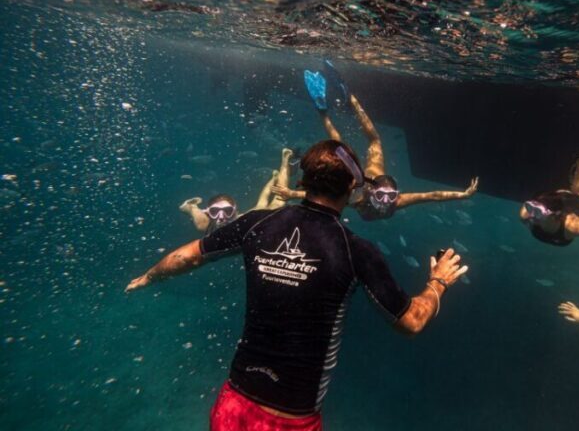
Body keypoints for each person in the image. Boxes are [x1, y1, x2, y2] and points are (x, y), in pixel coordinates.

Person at [125, 139, 469, 430]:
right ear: (351, 188)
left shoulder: (257, 223)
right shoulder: (356, 251)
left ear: (303, 181)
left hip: (232, 408)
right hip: (289, 421)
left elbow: (186, 256)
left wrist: (150, 276)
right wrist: (438, 281)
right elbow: (411, 321)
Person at [273, 69, 479, 221]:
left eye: (390, 197)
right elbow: (322, 196)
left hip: (372, 177)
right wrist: (292, 195)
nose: (386, 201)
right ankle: (346, 100)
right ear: (373, 192)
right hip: (363, 178)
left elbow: (432, 196)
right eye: (382, 195)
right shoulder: (355, 196)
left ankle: (327, 107)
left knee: (342, 145)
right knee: (345, 146)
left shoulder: (393, 202)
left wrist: (464, 195)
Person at [179, 148, 294, 233]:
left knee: (277, 202)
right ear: (208, 212)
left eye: (227, 211)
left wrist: (283, 168)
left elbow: (263, 201)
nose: (221, 216)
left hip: (245, 224)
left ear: (236, 212)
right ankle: (191, 206)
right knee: (199, 221)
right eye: (215, 211)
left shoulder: (247, 221)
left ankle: (283, 165)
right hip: (212, 225)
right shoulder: (204, 224)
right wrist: (192, 209)